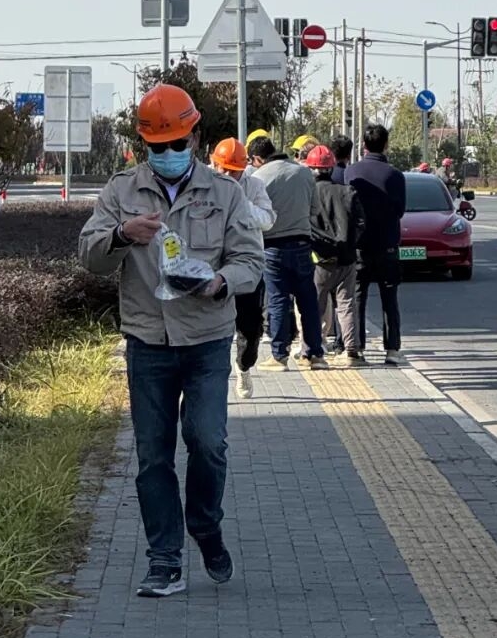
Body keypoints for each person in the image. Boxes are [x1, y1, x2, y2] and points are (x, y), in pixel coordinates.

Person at [79, 85, 263, 598]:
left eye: (177, 143)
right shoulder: (121, 191)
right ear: (144, 145)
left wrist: (220, 282)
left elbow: (251, 260)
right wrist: (122, 236)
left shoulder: (225, 192)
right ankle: (165, 559)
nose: (167, 153)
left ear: (195, 138)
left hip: (205, 338)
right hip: (147, 340)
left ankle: (204, 525)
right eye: (157, 147)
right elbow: (89, 256)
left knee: (208, 441)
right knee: (153, 457)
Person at [248, 136, 328, 369]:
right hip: (303, 244)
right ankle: (315, 354)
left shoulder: (259, 178)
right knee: (308, 301)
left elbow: (254, 216)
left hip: (272, 247)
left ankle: (279, 356)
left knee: (278, 300)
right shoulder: (304, 173)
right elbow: (315, 210)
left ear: (257, 158)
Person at [209, 136, 275, 399]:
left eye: (233, 171)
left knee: (249, 327)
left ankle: (244, 366)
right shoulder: (203, 185)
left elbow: (268, 219)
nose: (227, 175)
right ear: (213, 164)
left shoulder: (254, 186)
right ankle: (213, 376)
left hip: (247, 268)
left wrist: (239, 202)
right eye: (222, 169)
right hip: (214, 267)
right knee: (212, 328)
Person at [346, 123, 407, 366]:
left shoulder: (351, 172)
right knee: (389, 298)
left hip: (359, 246)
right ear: (386, 144)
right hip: (387, 245)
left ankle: (357, 347)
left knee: (357, 296)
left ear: (363, 145)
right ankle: (392, 349)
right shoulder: (395, 175)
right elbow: (400, 210)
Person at [306, 145, 364, 361]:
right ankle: (351, 351)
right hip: (346, 258)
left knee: (315, 306)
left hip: (319, 260)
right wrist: (349, 243)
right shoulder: (347, 191)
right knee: (347, 304)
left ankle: (314, 350)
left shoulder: (308, 194)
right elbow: (361, 223)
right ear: (331, 168)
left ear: (311, 168)